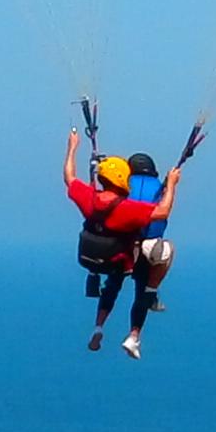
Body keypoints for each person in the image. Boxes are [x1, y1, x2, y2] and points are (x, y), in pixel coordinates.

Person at [63, 109, 197, 356]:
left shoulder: (89, 198)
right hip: (124, 257)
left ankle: (98, 327)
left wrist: (73, 147)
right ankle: (136, 330)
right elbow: (163, 212)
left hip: (99, 259)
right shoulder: (128, 209)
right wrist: (172, 184)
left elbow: (70, 177)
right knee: (147, 276)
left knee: (114, 282)